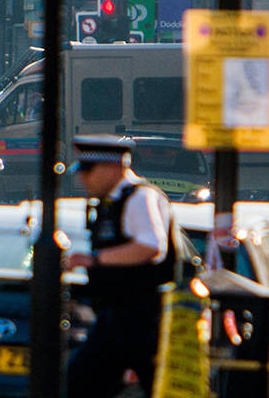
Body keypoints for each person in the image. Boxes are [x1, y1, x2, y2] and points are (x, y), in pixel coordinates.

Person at [64, 134, 174, 397]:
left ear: (114, 167)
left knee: (157, 387)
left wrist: (93, 260)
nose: (82, 178)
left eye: (88, 170)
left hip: (145, 317)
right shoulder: (111, 201)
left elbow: (151, 246)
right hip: (117, 313)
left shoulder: (139, 198)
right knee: (82, 378)